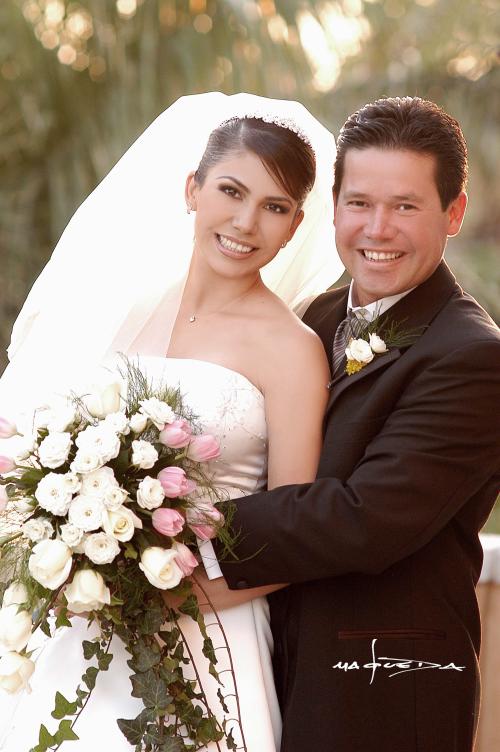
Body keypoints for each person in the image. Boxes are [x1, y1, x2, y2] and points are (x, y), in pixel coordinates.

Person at [0, 93, 342, 751]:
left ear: (297, 224)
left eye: (274, 207)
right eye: (231, 191)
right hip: (75, 625)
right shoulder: (118, 311)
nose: (245, 222)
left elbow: (296, 529)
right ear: (192, 188)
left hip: (205, 637)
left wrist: (165, 598)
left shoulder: (292, 350)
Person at [205, 97, 500, 752]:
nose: (378, 228)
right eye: (360, 203)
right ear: (334, 208)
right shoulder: (312, 316)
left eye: (405, 206)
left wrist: (179, 529)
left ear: (453, 213)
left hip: (380, 695)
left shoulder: (473, 354)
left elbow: (363, 518)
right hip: (267, 670)